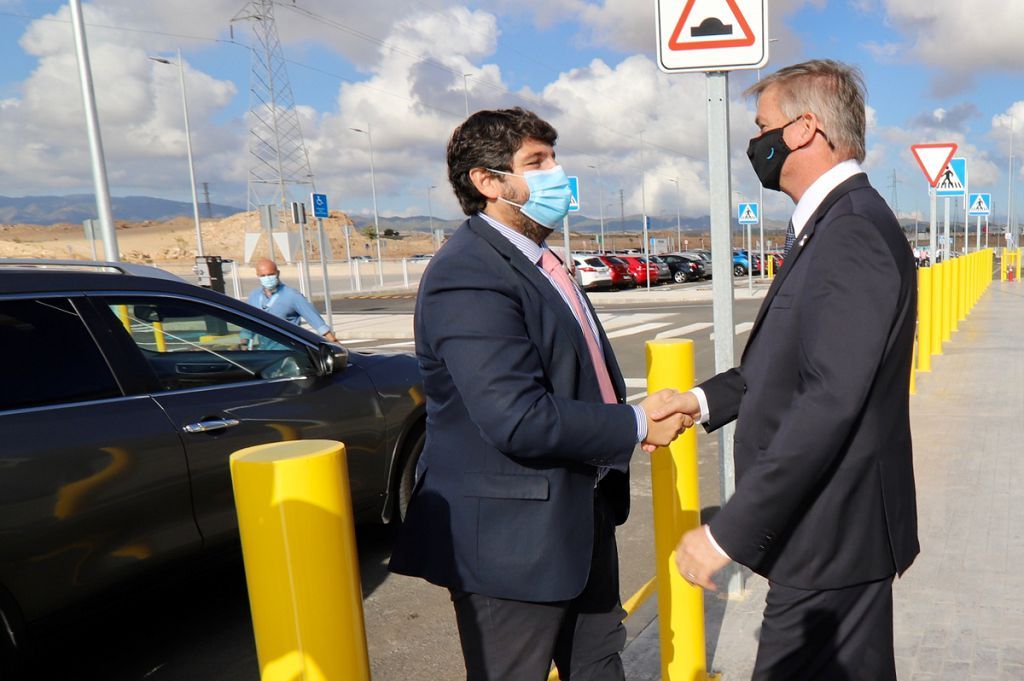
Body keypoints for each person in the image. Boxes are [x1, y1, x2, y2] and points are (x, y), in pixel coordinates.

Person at [388, 107, 689, 681]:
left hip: (581, 513)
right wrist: (634, 423)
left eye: (554, 157)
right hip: (510, 546)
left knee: (600, 665)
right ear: (488, 182)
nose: (558, 173)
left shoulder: (540, 259)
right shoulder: (469, 273)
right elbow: (516, 418)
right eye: (537, 162)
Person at [650, 60, 919, 680]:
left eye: (763, 125)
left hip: (833, 537)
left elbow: (830, 400)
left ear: (802, 131)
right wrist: (699, 401)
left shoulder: (850, 231)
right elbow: (784, 370)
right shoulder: (829, 225)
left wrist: (725, 533)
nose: (757, 142)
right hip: (827, 537)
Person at [242, 258, 337, 347]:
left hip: (289, 351)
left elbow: (316, 321)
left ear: (278, 273)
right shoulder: (254, 296)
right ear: (258, 276)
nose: (267, 278)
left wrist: (336, 344)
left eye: (271, 274)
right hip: (265, 351)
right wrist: (243, 344)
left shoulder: (292, 295)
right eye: (263, 276)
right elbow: (248, 325)